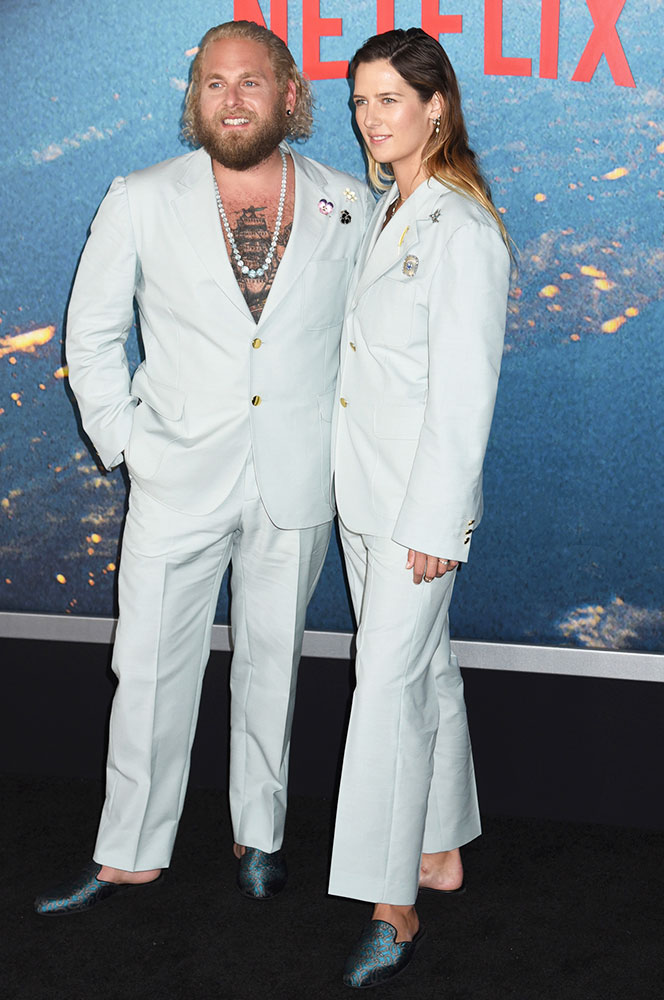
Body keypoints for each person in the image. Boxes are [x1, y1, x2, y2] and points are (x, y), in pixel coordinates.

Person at [35, 20, 371, 916]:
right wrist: (128, 445)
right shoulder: (140, 197)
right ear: (196, 99)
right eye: (214, 83)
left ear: (289, 94)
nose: (232, 97)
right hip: (175, 475)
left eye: (251, 81)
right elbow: (92, 335)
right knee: (145, 669)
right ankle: (130, 854)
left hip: (297, 476)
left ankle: (258, 836)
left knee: (274, 661)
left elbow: (374, 345)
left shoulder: (350, 203)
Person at [328, 28, 511, 987]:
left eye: (390, 99)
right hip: (363, 493)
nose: (371, 116)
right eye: (361, 100)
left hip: (415, 511)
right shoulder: (380, 209)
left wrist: (439, 523)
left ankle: (390, 904)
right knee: (426, 673)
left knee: (387, 691)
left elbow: (464, 394)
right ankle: (439, 852)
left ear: (436, 106)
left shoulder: (463, 229)